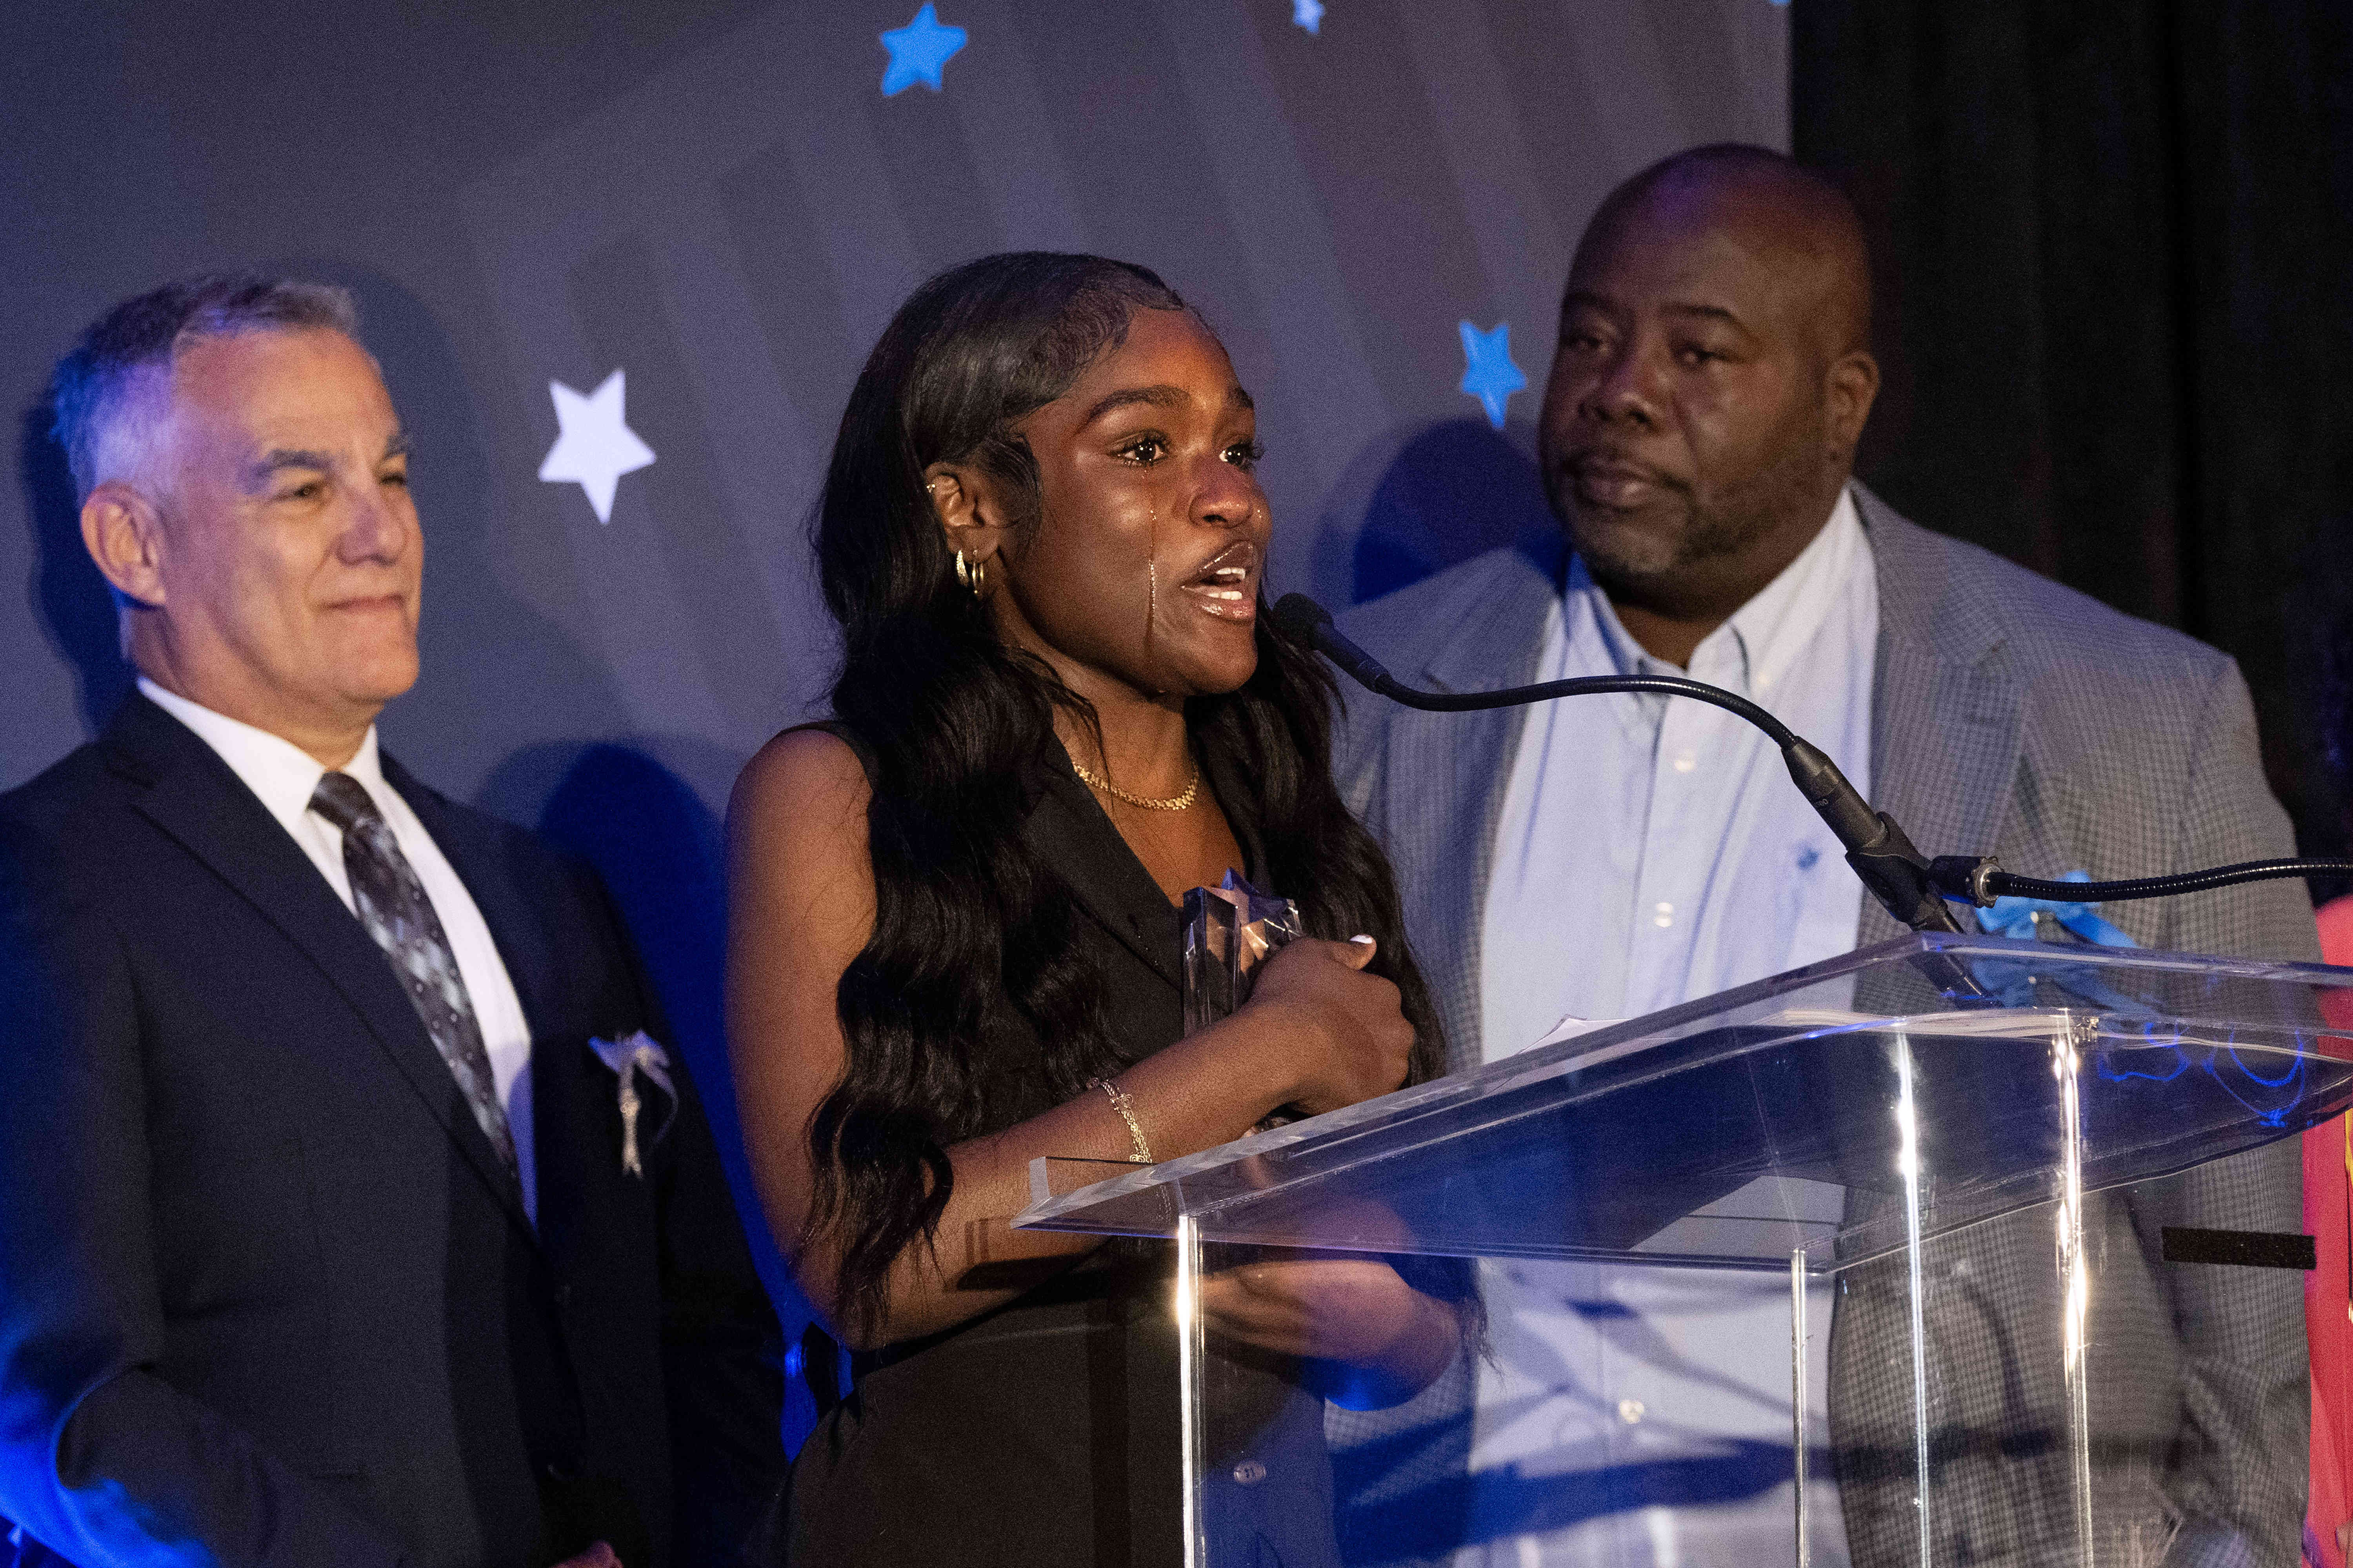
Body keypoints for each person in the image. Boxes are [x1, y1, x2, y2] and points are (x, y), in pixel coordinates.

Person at [1334, 145, 2312, 1564]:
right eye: (1589, 339)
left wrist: (2242, 1541)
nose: (1619, 392)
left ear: (1841, 403)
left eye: (1699, 352)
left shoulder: (2127, 721)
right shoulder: (1377, 694)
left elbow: (2237, 1229)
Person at [0, 275, 786, 1568]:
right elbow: (66, 1411)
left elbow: (704, 1327)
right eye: (303, 489)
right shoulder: (48, 880)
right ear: (132, 544)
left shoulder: (543, 892)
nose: (382, 535)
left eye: (397, 475)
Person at [725, 252, 1468, 1568]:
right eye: (1146, 448)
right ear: (970, 509)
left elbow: (1431, 1301)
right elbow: (866, 1266)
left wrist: (1389, 1327)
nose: (1231, 498)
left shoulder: (1293, 814)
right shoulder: (840, 798)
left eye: (1240, 447)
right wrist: (1268, 1051)